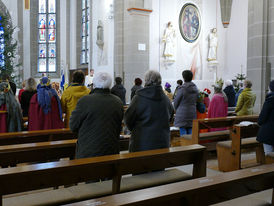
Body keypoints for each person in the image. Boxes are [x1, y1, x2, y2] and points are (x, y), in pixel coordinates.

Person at [70, 72, 124, 158]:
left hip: (88, 152)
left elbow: (73, 126)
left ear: (94, 83)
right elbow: (119, 127)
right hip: (111, 152)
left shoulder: (85, 101)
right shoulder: (118, 102)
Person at [125, 70, 174, 152]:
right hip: (162, 144)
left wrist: (133, 129)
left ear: (146, 81)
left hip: (142, 144)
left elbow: (128, 119)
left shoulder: (138, 98)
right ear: (160, 81)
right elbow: (170, 118)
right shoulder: (166, 99)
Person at [174, 70, 198, 135]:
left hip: (182, 114)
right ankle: (191, 144)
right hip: (192, 112)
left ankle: (185, 144)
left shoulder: (182, 89)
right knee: (190, 130)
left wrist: (176, 109)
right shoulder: (195, 88)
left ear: (183, 78)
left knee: (183, 133)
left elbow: (176, 101)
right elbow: (197, 100)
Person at [256, 80, 274, 155]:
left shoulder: (270, 100)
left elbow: (262, 118)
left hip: (269, 132)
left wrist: (259, 122)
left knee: (269, 154)